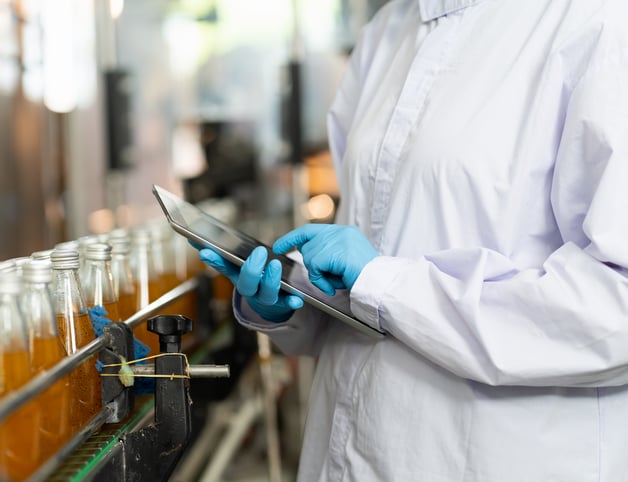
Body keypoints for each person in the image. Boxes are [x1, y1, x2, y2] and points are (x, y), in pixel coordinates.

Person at [195, 0, 628, 480]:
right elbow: (366, 262)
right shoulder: (387, 31)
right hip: (348, 449)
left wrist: (385, 284)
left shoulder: (597, 20)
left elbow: (616, 310)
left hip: (494, 457)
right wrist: (294, 299)